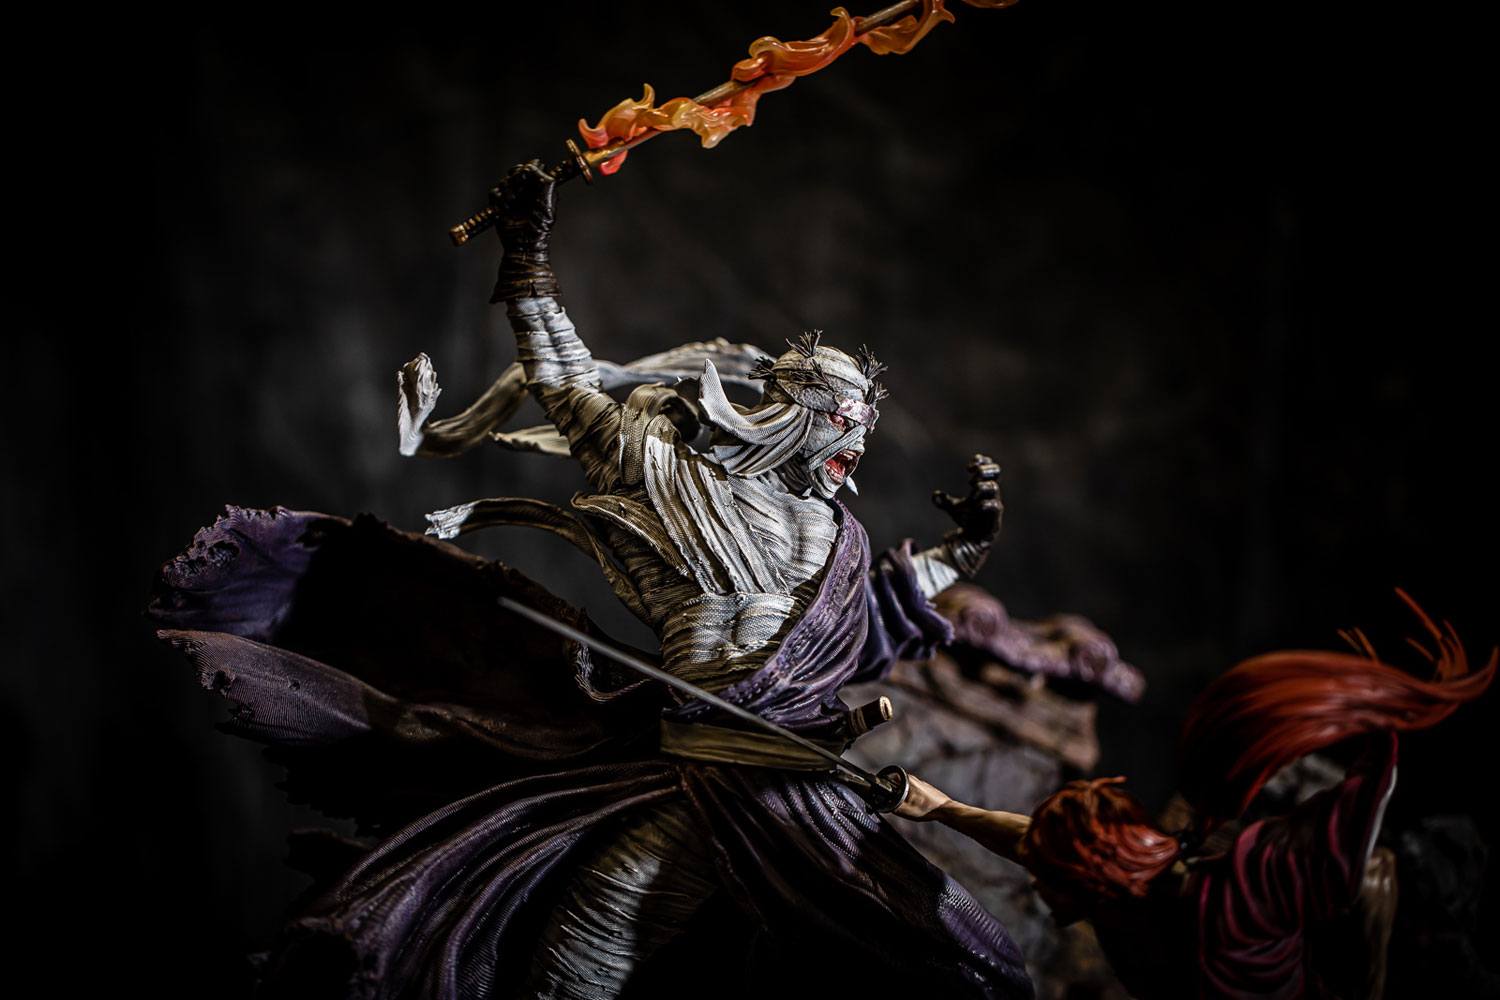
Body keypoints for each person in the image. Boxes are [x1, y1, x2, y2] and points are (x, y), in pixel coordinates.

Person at [150, 160, 1030, 999]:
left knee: (965, 965)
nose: (857, 450)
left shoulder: (836, 532)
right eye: (845, 427)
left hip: (801, 792)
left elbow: (866, 614)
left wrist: (961, 553)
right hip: (697, 781)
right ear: (794, 417)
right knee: (575, 967)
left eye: (863, 435)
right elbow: (565, 383)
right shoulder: (664, 471)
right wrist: (527, 255)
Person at [895, 593, 1495, 998]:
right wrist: (939, 807)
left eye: (1051, 878)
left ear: (1089, 879)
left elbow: (1345, 846)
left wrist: (1378, 737)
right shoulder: (1112, 888)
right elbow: (1025, 838)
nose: (1039, 883)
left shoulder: (1235, 904)